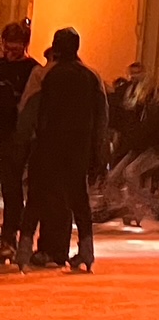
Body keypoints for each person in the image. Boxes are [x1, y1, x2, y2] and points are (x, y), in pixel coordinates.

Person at [23, 27, 108, 273]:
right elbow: (101, 117)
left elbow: (29, 111)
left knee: (37, 197)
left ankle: (25, 247)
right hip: (78, 149)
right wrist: (99, 151)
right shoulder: (92, 76)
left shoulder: (44, 74)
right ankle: (86, 250)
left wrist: (23, 141)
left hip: (48, 146)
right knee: (79, 199)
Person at [0, 20, 37, 264]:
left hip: (15, 137)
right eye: (6, 46)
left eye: (15, 47)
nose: (10, 52)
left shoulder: (33, 69)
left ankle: (9, 236)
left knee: (11, 187)